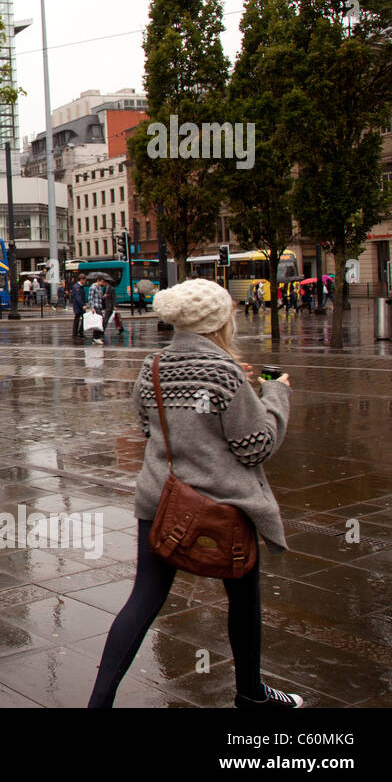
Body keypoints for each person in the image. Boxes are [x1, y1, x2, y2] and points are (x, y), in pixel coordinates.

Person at [88, 279, 302, 709]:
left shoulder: (152, 366)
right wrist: (276, 395)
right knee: (243, 600)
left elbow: (149, 428)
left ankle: (99, 703)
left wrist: (227, 387)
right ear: (221, 320)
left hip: (161, 502)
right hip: (222, 507)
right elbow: (255, 445)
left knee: (143, 598)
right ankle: (251, 694)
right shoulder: (224, 374)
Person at [88, 277, 108, 343]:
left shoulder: (99, 288)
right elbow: (90, 298)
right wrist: (92, 308)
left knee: (99, 322)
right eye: (101, 282)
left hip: (99, 306)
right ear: (98, 281)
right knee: (97, 322)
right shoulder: (93, 287)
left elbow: (100, 297)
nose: (102, 283)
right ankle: (96, 337)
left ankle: (96, 337)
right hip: (95, 307)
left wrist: (104, 296)